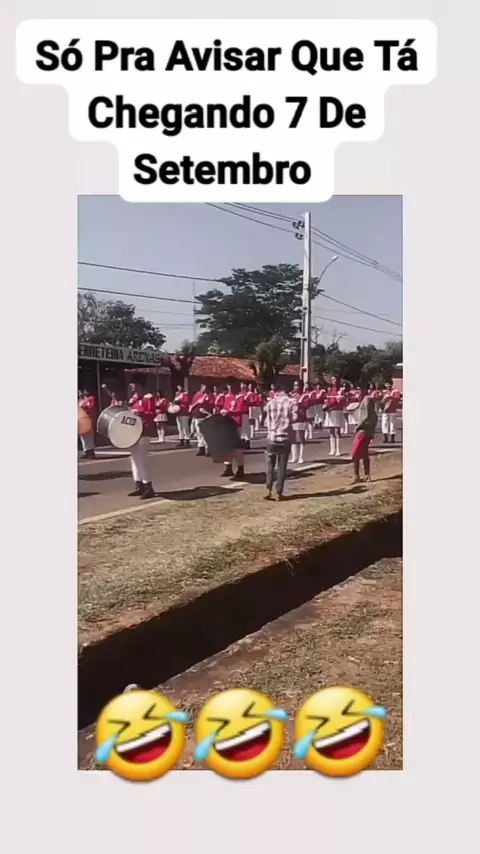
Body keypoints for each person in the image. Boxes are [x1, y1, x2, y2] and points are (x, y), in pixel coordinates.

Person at [263, 385, 296, 500]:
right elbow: (295, 418)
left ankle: (268, 490)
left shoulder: (270, 403)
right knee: (282, 467)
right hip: (285, 437)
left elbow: (266, 422)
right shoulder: (292, 402)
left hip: (272, 437)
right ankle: (279, 492)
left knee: (270, 466)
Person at [127, 374, 156, 499]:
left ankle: (148, 487)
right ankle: (139, 485)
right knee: (134, 459)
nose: (132, 388)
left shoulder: (148, 397)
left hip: (145, 431)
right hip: (134, 431)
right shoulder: (134, 399)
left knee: (141, 460)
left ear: (140, 385)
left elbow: (152, 412)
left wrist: (140, 412)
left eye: (134, 385)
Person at [351, 383, 378, 483]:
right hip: (367, 431)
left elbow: (367, 415)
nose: (356, 393)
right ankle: (366, 475)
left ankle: (357, 476)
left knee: (355, 454)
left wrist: (358, 426)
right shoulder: (367, 400)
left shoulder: (366, 399)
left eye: (358, 391)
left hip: (363, 430)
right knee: (364, 452)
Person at [189, 384, 214, 456]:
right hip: (198, 415)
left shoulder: (209, 395)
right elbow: (193, 404)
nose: (204, 389)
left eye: (206, 387)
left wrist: (205, 404)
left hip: (206, 415)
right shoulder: (196, 395)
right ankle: (201, 448)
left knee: (206, 433)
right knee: (199, 432)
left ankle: (208, 449)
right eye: (203, 387)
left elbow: (212, 404)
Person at [324, 377, 346, 457]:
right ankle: (332, 449)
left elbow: (343, 401)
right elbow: (327, 400)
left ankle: (338, 450)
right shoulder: (330, 390)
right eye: (332, 380)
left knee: (337, 431)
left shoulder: (340, 390)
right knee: (331, 431)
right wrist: (326, 404)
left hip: (337, 411)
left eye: (334, 379)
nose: (333, 381)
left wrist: (339, 399)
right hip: (330, 411)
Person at [289, 380, 308, 464]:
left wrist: (298, 403)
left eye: (297, 385)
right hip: (292, 419)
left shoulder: (304, 396)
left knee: (301, 437)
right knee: (293, 438)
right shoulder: (291, 395)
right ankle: (294, 457)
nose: (295, 387)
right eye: (294, 385)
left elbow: (306, 405)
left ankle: (301, 457)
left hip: (301, 418)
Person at [78, 388, 96, 459]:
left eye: (86, 391)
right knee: (83, 436)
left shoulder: (91, 398)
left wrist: (83, 408)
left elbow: (91, 407)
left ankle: (91, 452)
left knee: (89, 436)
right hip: (81, 419)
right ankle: (86, 451)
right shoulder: (81, 400)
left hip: (87, 418)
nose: (85, 392)